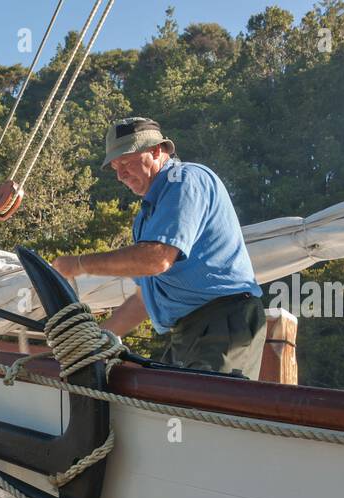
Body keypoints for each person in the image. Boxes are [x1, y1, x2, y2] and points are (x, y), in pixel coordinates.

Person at [53, 117, 265, 378]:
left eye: (126, 162)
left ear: (157, 151)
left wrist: (79, 264)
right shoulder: (147, 217)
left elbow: (157, 259)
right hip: (189, 331)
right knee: (167, 406)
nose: (120, 175)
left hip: (223, 321)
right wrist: (95, 340)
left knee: (206, 411)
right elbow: (144, 299)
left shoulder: (184, 180)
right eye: (115, 167)